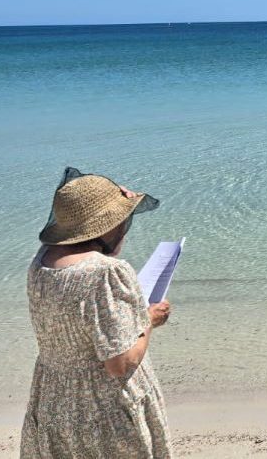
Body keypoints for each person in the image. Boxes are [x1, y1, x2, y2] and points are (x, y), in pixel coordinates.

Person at [21, 167, 173, 458]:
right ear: (105, 226)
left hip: (53, 400)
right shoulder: (105, 272)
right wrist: (148, 320)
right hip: (103, 410)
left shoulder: (41, 261)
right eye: (121, 219)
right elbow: (120, 364)